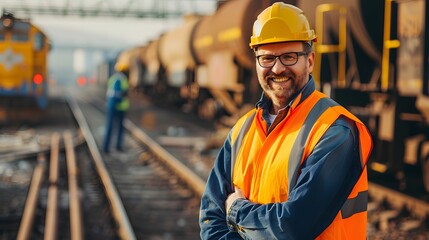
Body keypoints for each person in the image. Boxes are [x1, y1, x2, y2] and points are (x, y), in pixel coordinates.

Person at [199, 2, 373, 240]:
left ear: (310, 61)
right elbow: (210, 216)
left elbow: (292, 226)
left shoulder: (334, 129)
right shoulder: (242, 130)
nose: (278, 68)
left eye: (289, 57)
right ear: (256, 62)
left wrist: (237, 210)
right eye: (267, 58)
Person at [102, 63, 130, 153]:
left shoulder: (113, 78)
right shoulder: (121, 79)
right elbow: (116, 93)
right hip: (117, 107)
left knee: (111, 127)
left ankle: (107, 147)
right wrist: (124, 94)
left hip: (112, 106)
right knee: (116, 127)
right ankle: (113, 147)